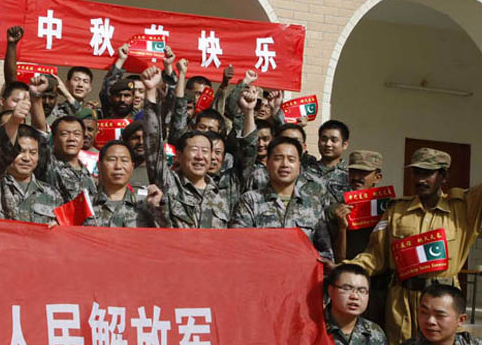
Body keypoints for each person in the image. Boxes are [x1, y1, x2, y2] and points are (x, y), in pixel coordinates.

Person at [349, 100, 482, 345]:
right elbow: (375, 256)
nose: (421, 179)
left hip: (443, 303)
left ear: (444, 176)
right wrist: (346, 270)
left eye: (428, 173)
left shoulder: (464, 208)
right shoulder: (396, 210)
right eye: (417, 172)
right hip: (402, 304)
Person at [140, 66, 232, 228]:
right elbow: (153, 144)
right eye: (194, 150)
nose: (200, 156)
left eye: (205, 151)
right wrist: (150, 93)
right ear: (179, 156)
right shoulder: (168, 182)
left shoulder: (222, 195)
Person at [230, 136, 335, 262]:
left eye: (291, 159)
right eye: (278, 158)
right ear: (268, 164)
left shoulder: (313, 204)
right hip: (262, 270)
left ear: (299, 167)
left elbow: (325, 252)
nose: (285, 164)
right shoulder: (250, 201)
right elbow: (238, 247)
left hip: (303, 272)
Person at [330, 150, 388, 326]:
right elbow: (339, 258)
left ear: (377, 177)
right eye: (353, 172)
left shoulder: (389, 209)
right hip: (348, 285)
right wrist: (342, 227)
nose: (357, 177)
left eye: (364, 173)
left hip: (379, 287)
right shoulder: (336, 209)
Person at [0, 95, 61, 224]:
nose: (27, 158)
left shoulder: (52, 194)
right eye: (21, 151)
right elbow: (0, 149)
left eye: (33, 153)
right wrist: (14, 120)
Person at [85, 141, 165, 227]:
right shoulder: (85, 205)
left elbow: (165, 233)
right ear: (99, 165)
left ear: (132, 167)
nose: (118, 166)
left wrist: (155, 207)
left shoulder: (146, 205)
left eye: (124, 160)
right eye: (112, 160)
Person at [305, 119, 350, 202]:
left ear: (345, 145)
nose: (328, 144)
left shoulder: (350, 175)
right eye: (324, 139)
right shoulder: (305, 169)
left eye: (334, 140)